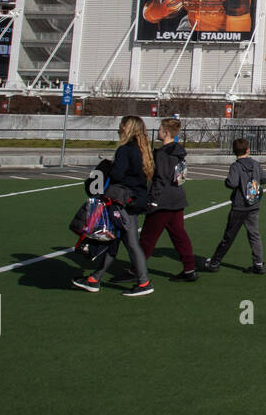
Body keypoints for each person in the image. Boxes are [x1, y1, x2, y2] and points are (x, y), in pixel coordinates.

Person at [71, 115, 156, 297]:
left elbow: (118, 174)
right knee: (115, 240)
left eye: (122, 127)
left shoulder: (125, 149)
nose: (119, 130)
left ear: (128, 129)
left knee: (130, 243)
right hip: (134, 199)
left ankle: (144, 282)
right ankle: (95, 278)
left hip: (123, 200)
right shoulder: (143, 149)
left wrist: (110, 166)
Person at [138, 117, 197, 283]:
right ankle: (189, 268)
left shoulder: (163, 153)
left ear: (166, 132)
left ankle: (136, 269)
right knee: (179, 235)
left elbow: (160, 179)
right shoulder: (178, 151)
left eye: (160, 129)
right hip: (177, 198)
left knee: (147, 238)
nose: (158, 131)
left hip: (163, 201)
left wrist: (153, 200)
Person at [201, 137, 266, 274]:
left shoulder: (236, 166)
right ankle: (259, 263)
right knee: (254, 235)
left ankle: (215, 262)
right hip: (253, 204)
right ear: (248, 150)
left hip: (239, 205)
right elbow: (264, 179)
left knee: (229, 236)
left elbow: (232, 183)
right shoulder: (255, 164)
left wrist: (227, 181)